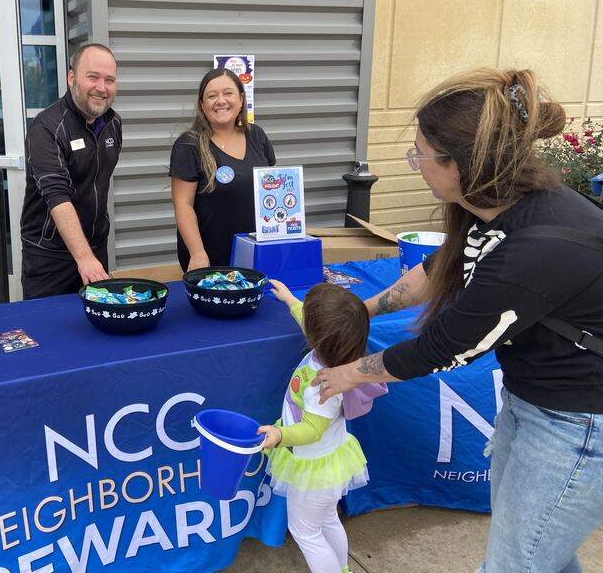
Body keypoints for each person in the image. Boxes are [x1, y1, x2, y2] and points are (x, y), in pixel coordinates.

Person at [313, 68, 603, 573]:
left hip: (578, 422)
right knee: (542, 557)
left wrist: (349, 373)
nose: (416, 165)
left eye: (421, 154)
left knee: (516, 565)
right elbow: (438, 267)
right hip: (532, 399)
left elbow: (442, 348)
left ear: (460, 165)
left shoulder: (536, 248)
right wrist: (362, 309)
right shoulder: (496, 206)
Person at [257, 279, 377, 573]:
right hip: (331, 461)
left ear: (317, 337)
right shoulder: (339, 356)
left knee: (305, 532)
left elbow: (312, 429)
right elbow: (309, 323)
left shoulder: (322, 385)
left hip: (313, 470)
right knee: (327, 520)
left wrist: (281, 434)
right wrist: (290, 300)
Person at [20, 43, 121, 299]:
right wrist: (84, 257)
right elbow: (57, 196)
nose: (102, 87)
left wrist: (91, 253)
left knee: (98, 329)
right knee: (48, 331)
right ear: (71, 78)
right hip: (49, 257)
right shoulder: (47, 128)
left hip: (95, 248)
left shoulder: (113, 123)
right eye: (93, 77)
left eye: (109, 80)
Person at [169, 68, 275, 271]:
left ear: (241, 99)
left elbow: (273, 193)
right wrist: (198, 254)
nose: (220, 100)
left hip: (256, 255)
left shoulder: (257, 136)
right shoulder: (189, 145)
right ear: (202, 104)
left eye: (228, 93)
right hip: (212, 260)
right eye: (211, 95)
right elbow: (183, 205)